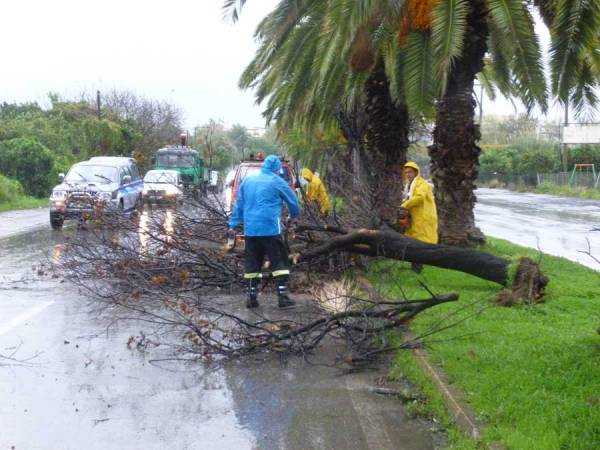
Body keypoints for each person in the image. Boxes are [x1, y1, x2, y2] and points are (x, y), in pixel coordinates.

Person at [228, 154, 301, 308]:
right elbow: (293, 202)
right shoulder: (277, 181)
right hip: (270, 230)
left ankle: (251, 297)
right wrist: (292, 216)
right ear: (276, 169)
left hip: (251, 231)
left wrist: (233, 225)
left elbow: (238, 205)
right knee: (279, 261)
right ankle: (283, 297)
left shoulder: (247, 181)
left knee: (252, 264)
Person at [401, 161, 438, 272]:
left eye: (410, 172)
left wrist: (404, 205)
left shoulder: (422, 184)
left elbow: (419, 197)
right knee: (414, 243)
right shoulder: (410, 185)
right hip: (416, 218)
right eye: (406, 172)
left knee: (421, 244)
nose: (408, 174)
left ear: (416, 172)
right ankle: (416, 267)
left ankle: (418, 268)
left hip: (424, 218)